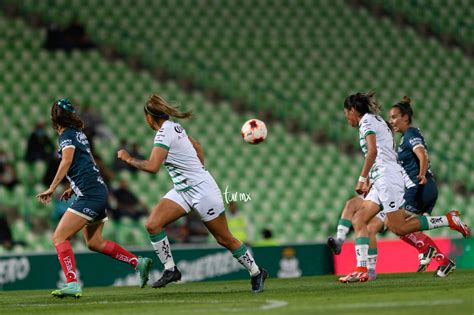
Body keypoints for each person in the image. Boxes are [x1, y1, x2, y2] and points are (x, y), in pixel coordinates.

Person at [117, 94, 268, 292]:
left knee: (224, 238)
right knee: (153, 224)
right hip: (183, 190)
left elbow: (153, 167)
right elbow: (197, 145)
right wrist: (199, 168)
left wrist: (128, 159)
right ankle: (171, 270)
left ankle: (257, 272)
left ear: (149, 118)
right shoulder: (175, 127)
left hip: (203, 191)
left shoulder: (164, 133)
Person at [338, 92, 470, 283]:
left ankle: (446, 225)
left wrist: (363, 178)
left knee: (398, 227)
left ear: (352, 110)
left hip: (402, 183)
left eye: (346, 113)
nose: (346, 118)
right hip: (387, 179)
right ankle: (362, 269)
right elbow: (384, 155)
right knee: (362, 219)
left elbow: (377, 152)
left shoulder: (378, 126)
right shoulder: (378, 123)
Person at [36, 99, 152, 298]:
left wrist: (52, 187)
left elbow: (67, 161)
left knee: (59, 237)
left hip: (91, 194)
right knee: (95, 242)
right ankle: (137, 262)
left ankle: (72, 283)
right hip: (97, 190)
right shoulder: (80, 135)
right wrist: (73, 188)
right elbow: (87, 164)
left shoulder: (67, 136)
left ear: (54, 119)